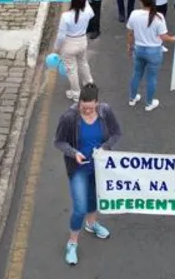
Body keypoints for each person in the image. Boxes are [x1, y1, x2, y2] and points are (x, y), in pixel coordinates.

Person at [54, 83, 121, 266]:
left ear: (97, 103)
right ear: (79, 103)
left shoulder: (105, 112)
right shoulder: (68, 117)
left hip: (99, 168)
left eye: (91, 108)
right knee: (80, 208)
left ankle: (91, 225)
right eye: (84, 108)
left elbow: (116, 134)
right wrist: (73, 153)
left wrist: (104, 147)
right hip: (78, 170)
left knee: (94, 199)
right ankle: (72, 243)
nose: (88, 111)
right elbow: (59, 142)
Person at [126, 0, 175, 112]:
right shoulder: (158, 17)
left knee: (136, 73)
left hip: (138, 49)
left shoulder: (134, 14)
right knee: (152, 77)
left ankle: (132, 98)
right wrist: (174, 39)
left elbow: (130, 33)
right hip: (154, 51)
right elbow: (163, 37)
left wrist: (129, 46)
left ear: (141, 2)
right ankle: (149, 103)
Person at [56, 0, 96, 101]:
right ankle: (89, 83)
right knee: (83, 62)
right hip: (82, 41)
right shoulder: (88, 12)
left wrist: (57, 48)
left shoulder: (65, 16)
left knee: (71, 69)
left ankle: (76, 93)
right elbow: (90, 10)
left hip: (69, 44)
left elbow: (61, 36)